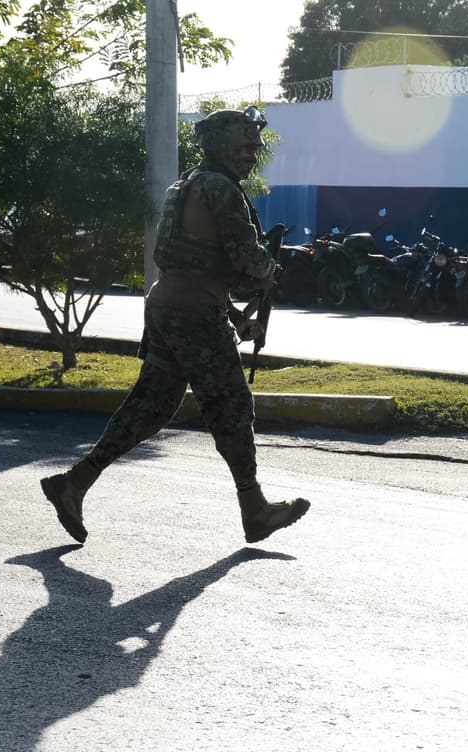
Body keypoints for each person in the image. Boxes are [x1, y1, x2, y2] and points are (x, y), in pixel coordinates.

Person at [40, 106, 310, 546]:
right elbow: (245, 257)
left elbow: (195, 264)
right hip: (193, 315)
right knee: (232, 407)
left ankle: (74, 483)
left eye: (253, 148)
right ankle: (254, 509)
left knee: (152, 406)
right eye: (243, 146)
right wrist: (267, 269)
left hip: (170, 307)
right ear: (220, 147)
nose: (250, 155)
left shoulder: (186, 185)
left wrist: (238, 317)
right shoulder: (221, 189)